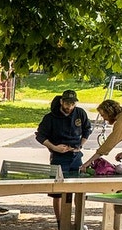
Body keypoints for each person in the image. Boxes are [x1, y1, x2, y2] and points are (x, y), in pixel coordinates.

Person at [35, 90, 91, 222]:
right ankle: (61, 222)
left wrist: (80, 145)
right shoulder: (50, 117)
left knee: (78, 190)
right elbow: (40, 136)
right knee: (58, 192)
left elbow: (87, 129)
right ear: (61, 101)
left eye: (72, 104)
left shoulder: (80, 113)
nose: (69, 107)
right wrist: (54, 148)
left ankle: (79, 221)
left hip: (76, 155)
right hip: (59, 156)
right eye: (67, 103)